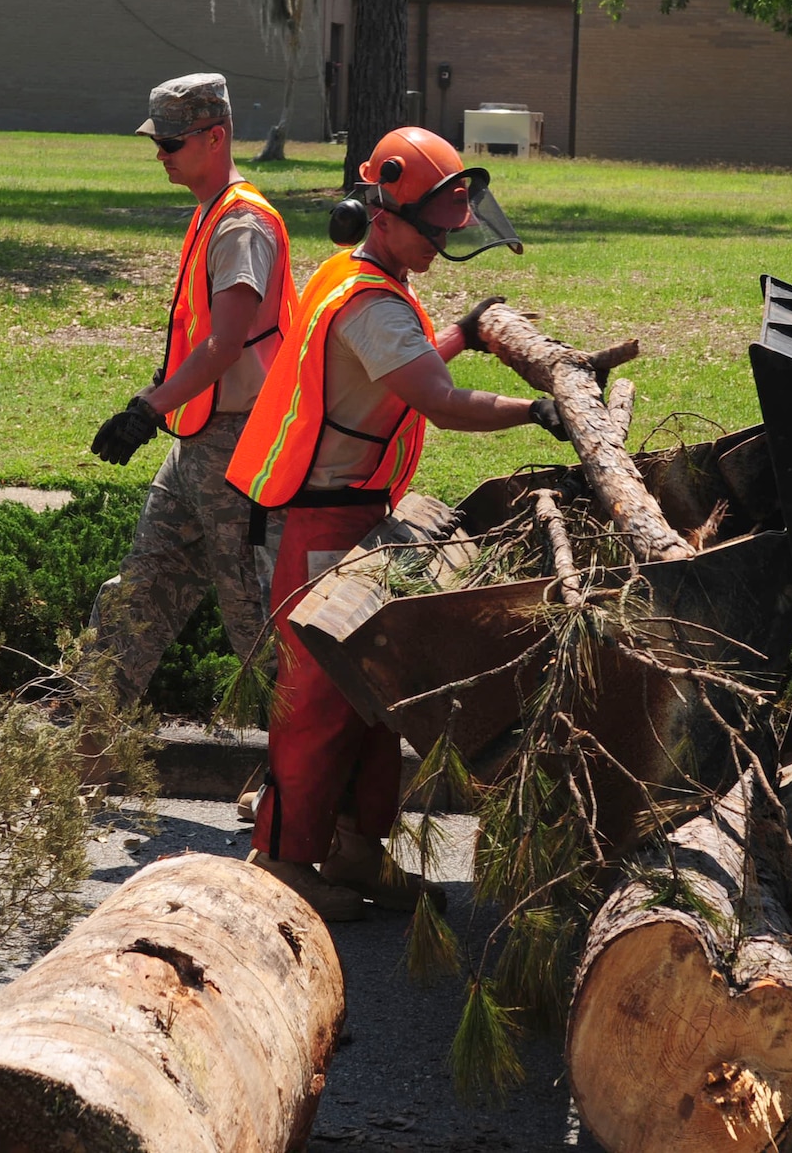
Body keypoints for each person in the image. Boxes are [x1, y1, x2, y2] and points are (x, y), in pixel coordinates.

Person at [226, 125, 564, 920]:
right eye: (433, 230)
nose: (443, 245)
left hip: (348, 515)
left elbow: (404, 363)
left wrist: (466, 329)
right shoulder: (370, 302)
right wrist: (535, 410)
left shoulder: (359, 276)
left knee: (372, 702)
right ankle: (282, 860)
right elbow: (438, 403)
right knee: (316, 704)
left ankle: (354, 849)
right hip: (323, 526)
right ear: (381, 212)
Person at [85, 73, 296, 736]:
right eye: (157, 140)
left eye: (172, 141)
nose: (161, 153)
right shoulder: (210, 211)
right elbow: (200, 339)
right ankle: (87, 747)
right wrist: (163, 400)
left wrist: (148, 408)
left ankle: (295, 778)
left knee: (256, 618)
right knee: (138, 592)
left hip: (240, 447)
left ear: (216, 135)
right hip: (196, 442)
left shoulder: (241, 224)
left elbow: (226, 343)